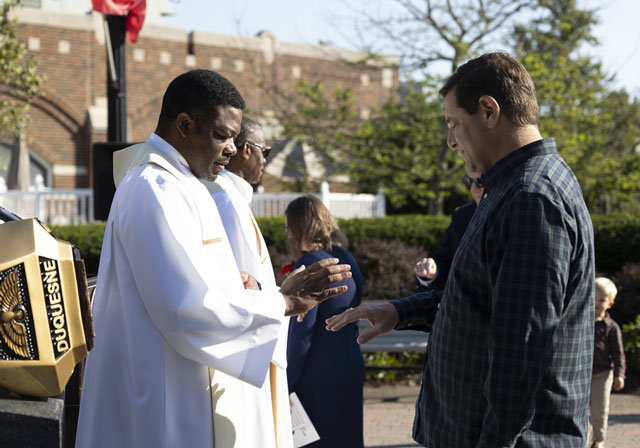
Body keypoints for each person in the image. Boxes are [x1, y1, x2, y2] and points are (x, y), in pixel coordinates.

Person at [327, 51, 595, 447]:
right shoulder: (513, 189)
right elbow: (479, 301)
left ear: (489, 110)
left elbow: (519, 354)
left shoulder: (530, 198)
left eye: (454, 124)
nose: (451, 141)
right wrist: (399, 311)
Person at [75, 70, 352, 448]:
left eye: (236, 139)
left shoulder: (183, 186)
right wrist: (280, 300)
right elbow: (186, 306)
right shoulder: (154, 188)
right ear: (185, 125)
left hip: (181, 383)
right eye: (222, 136)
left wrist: (243, 286)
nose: (233, 149)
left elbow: (194, 284)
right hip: (159, 396)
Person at [201, 116, 293, 447]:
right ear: (244, 150)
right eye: (264, 150)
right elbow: (242, 288)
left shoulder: (233, 198)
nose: (265, 160)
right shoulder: (226, 200)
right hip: (250, 348)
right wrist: (284, 298)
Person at [285, 195, 365, 448]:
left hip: (316, 373)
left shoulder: (310, 264)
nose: (286, 233)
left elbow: (302, 332)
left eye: (288, 225)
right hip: (349, 361)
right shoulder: (345, 256)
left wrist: (288, 380)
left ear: (300, 227)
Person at [413, 169, 483, 290]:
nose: (475, 187)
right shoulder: (461, 216)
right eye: (470, 181)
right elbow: (445, 262)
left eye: (481, 182)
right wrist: (432, 272)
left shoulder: (512, 212)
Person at [590, 277, 626, 448]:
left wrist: (620, 375)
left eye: (602, 300)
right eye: (594, 298)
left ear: (610, 304)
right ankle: (582, 436)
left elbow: (618, 354)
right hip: (583, 372)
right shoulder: (583, 322)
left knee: (600, 410)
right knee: (579, 409)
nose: (597, 303)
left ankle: (598, 440)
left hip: (603, 374)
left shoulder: (611, 327)